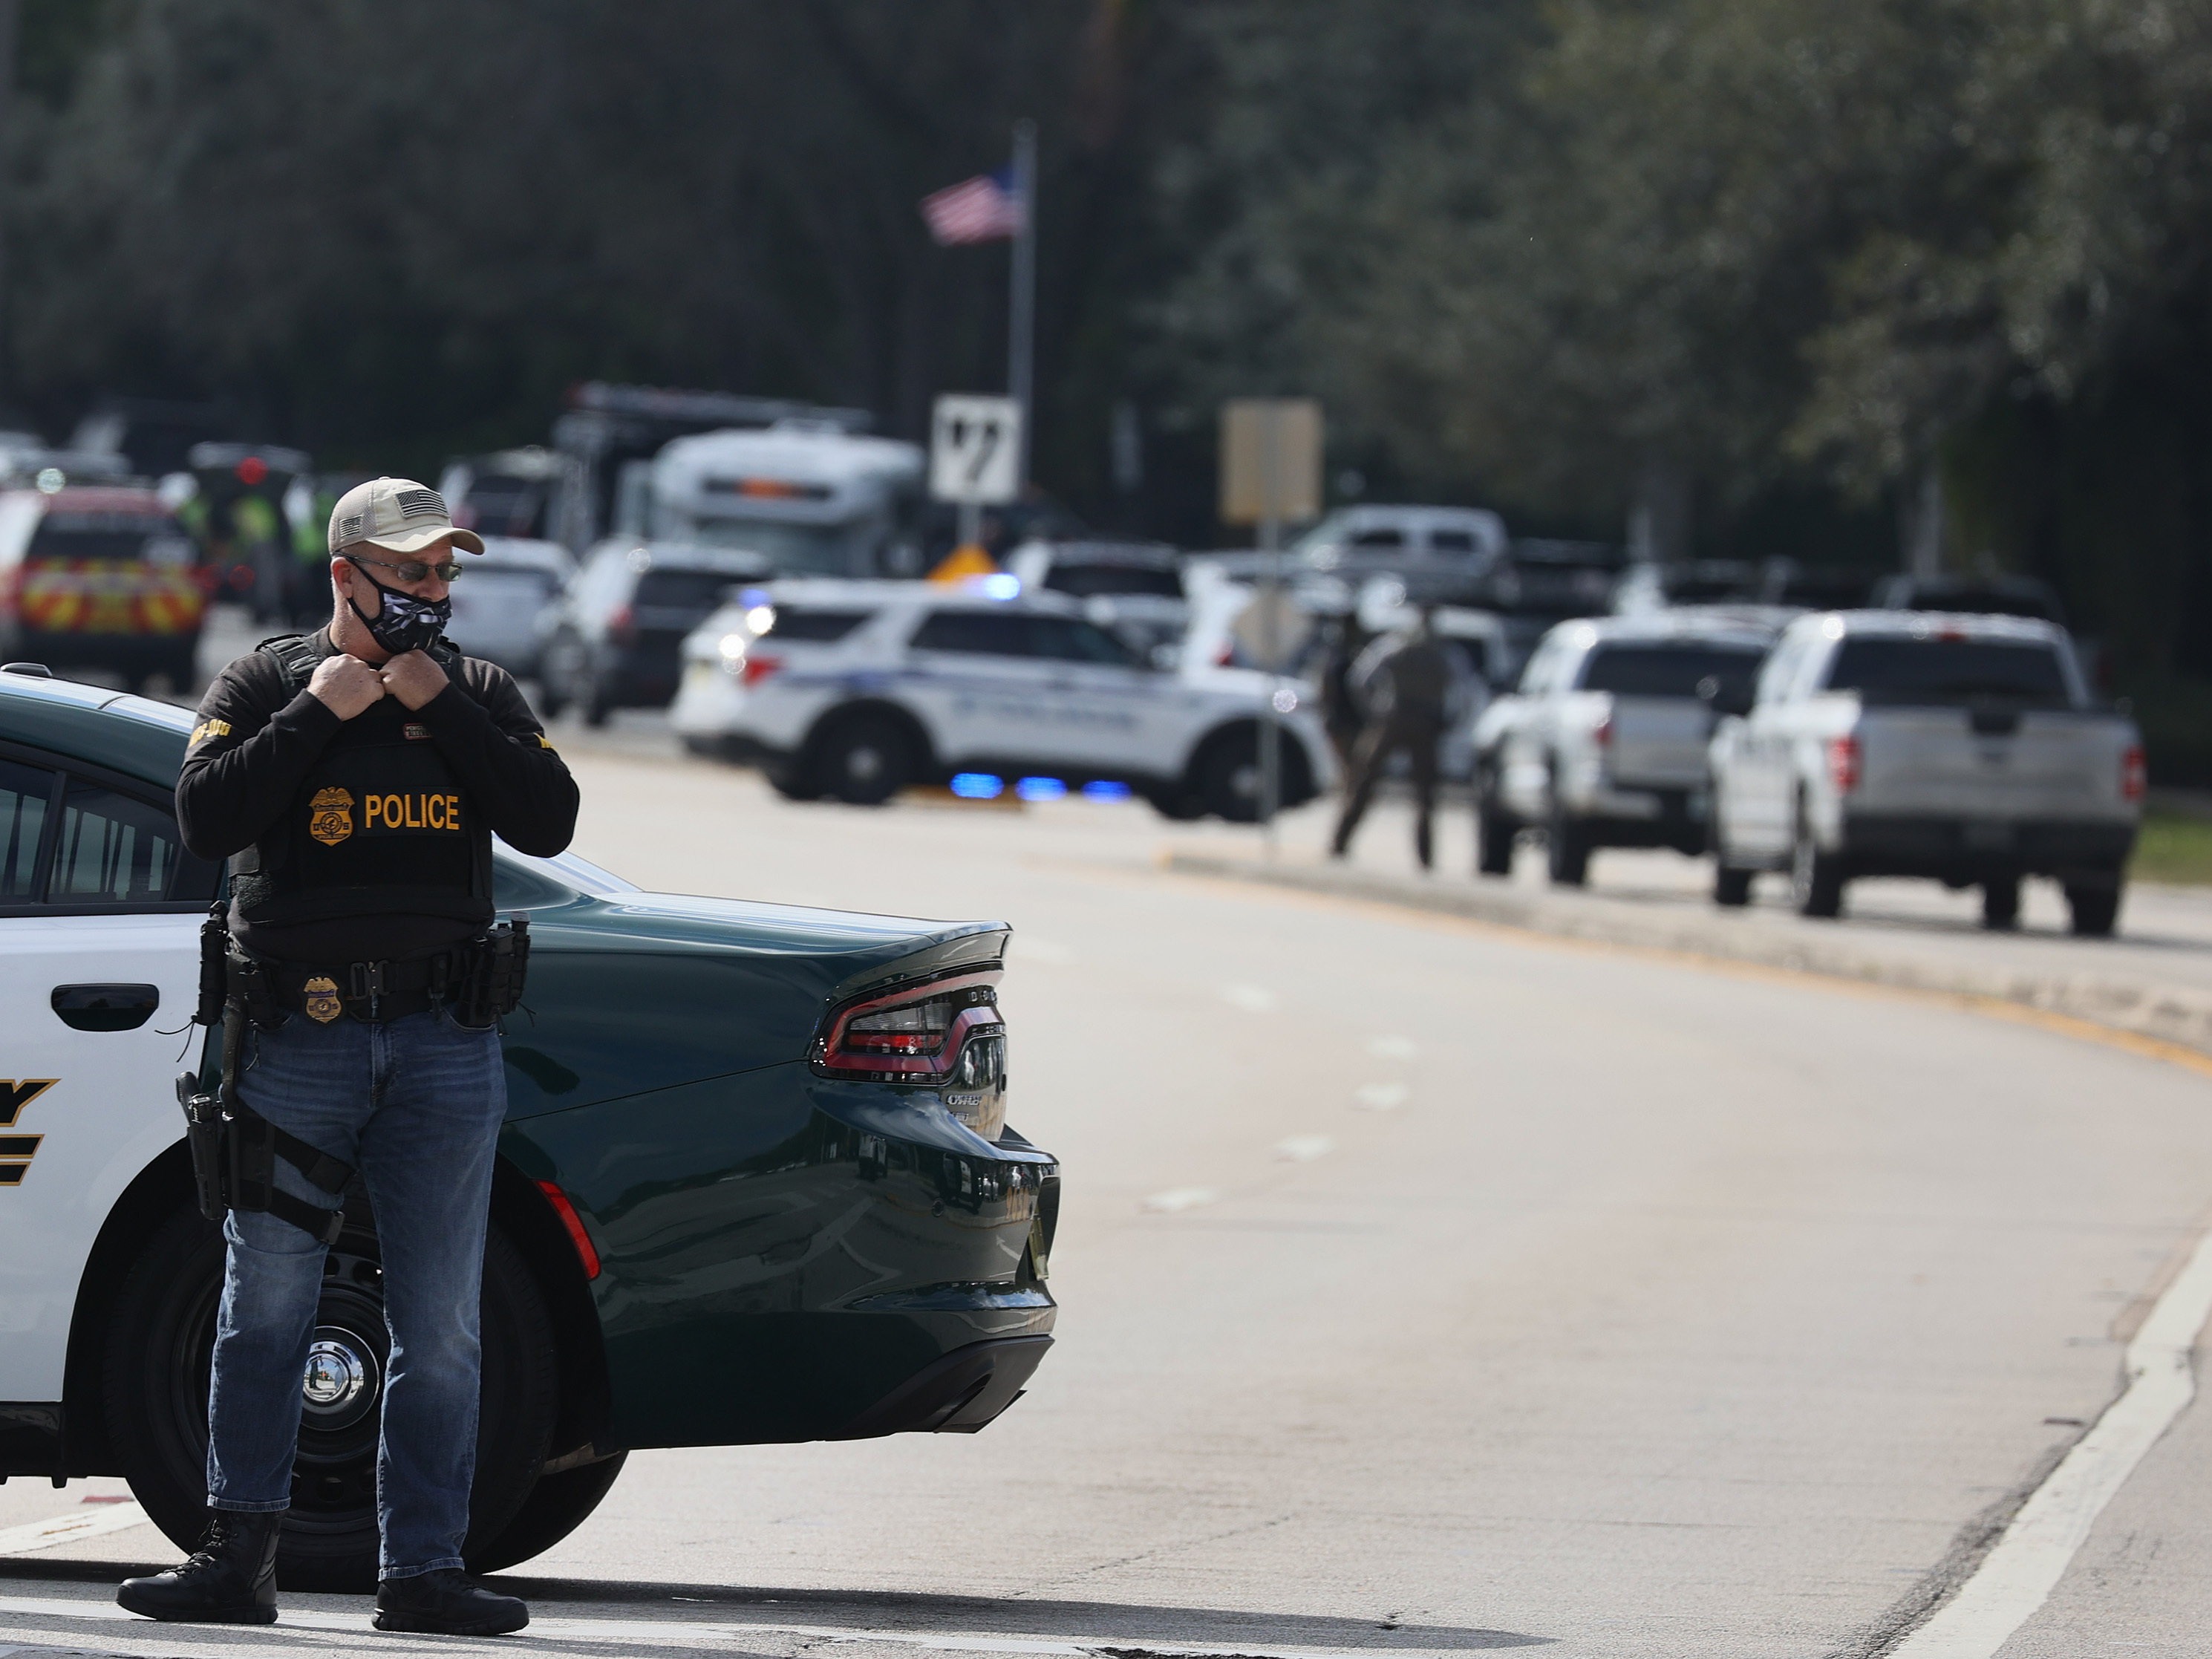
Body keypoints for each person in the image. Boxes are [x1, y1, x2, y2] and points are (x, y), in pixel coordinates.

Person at [120, 478, 579, 1636]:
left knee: (442, 1327)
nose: (433, 591)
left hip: (442, 1044)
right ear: (346, 576)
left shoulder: (476, 687)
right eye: (413, 571)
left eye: (443, 573)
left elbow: (549, 816)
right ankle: (236, 1560)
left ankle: (422, 1570)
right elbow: (205, 818)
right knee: (264, 1305)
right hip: (297, 1044)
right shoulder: (265, 682)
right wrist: (318, 713)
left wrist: (445, 706)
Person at [1329, 604, 1459, 870]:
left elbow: (1360, 679)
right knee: (1368, 783)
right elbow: (1462, 691)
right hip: (1411, 720)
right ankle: (1340, 844)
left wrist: (1374, 711)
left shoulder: (1403, 648)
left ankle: (1424, 858)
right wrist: (1447, 719)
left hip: (1397, 718)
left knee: (1418, 794)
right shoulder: (1435, 653)